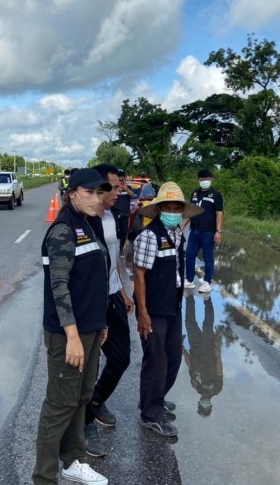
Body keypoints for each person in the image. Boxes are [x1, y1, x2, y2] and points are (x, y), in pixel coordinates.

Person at [33, 168, 112, 485]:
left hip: (91, 329)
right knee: (59, 404)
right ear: (73, 193)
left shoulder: (89, 224)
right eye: (91, 192)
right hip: (69, 334)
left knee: (81, 397)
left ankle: (73, 461)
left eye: (100, 193)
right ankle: (44, 476)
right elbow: (59, 287)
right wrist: (72, 337)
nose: (98, 198)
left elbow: (94, 280)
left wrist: (101, 322)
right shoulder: (63, 230)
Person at [133, 182, 202, 437]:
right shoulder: (149, 237)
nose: (172, 211)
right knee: (156, 362)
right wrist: (143, 312)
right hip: (153, 308)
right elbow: (139, 275)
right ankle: (150, 414)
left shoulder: (176, 235)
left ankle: (155, 398)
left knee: (173, 358)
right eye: (168, 207)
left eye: (177, 207)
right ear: (159, 209)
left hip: (172, 304)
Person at [82, 164, 135, 458]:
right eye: (115, 187)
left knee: (121, 358)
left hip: (114, 295)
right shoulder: (84, 223)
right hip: (92, 303)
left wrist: (124, 292)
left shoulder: (113, 217)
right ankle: (85, 423)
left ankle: (96, 402)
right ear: (99, 189)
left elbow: (114, 258)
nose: (120, 192)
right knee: (88, 367)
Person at [183, 168, 224, 293]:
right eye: (202, 179)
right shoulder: (195, 193)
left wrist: (218, 231)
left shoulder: (216, 195)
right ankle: (189, 280)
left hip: (208, 232)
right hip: (194, 231)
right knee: (189, 255)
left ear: (211, 180)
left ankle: (207, 282)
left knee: (208, 257)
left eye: (206, 179)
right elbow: (190, 212)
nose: (204, 181)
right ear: (198, 180)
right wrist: (181, 227)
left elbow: (219, 214)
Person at [182, 293, 223, 417]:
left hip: (195, 347)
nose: (204, 404)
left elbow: (190, 366)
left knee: (189, 322)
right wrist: (217, 355)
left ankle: (189, 298)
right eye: (206, 407)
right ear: (210, 405)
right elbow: (219, 372)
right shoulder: (216, 389)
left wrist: (182, 349)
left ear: (198, 403)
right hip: (208, 350)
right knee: (208, 323)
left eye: (201, 406)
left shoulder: (196, 386)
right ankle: (207, 299)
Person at [112, 169, 135, 255]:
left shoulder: (128, 187)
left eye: (122, 180)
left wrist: (126, 189)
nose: (121, 181)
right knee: (114, 230)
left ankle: (121, 249)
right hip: (114, 212)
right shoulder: (114, 188)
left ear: (124, 178)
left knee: (124, 232)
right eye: (119, 180)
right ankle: (113, 247)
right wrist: (117, 189)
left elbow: (132, 195)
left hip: (125, 213)